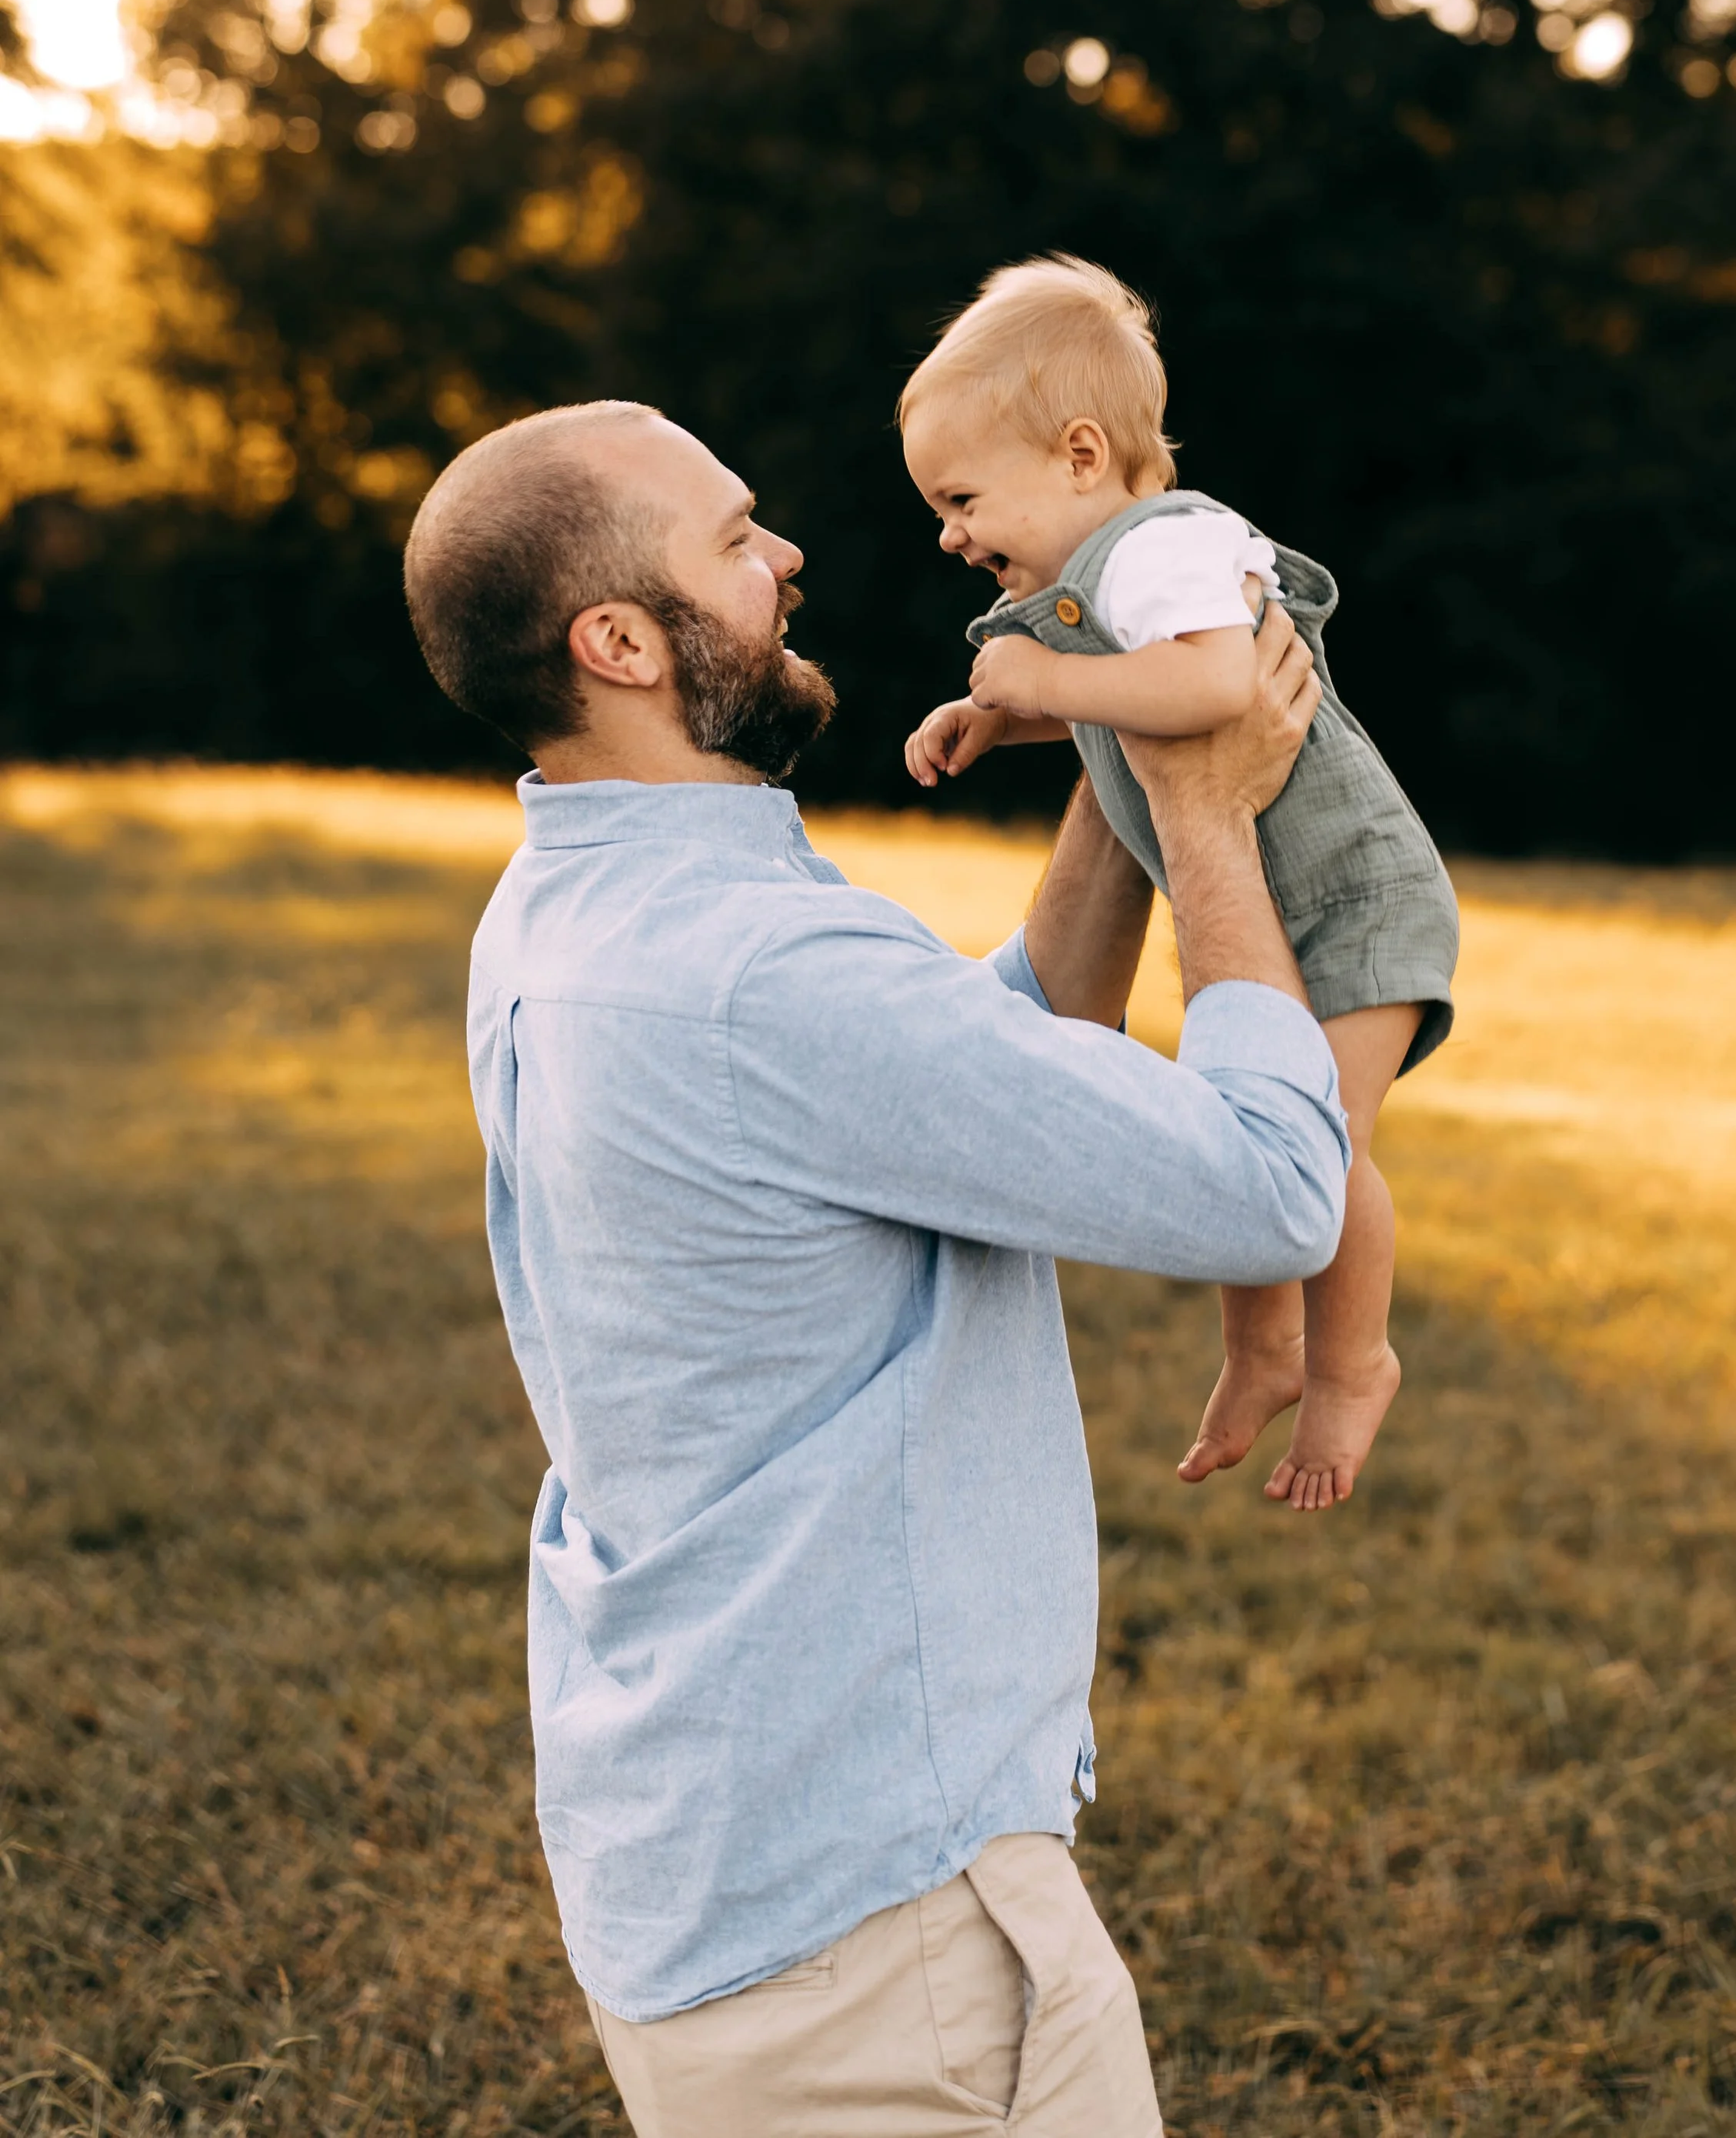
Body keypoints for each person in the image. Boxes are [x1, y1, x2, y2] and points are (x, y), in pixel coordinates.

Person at [402, 397, 1350, 2138]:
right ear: (618, 642)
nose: (786, 559)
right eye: (733, 537)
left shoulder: (572, 913)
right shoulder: (755, 972)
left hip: (728, 1846)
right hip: (877, 1936)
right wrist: (1213, 823)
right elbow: (1270, 1190)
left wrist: (1122, 760)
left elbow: (971, 1075)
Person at [901, 256, 1459, 1513]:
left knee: (1322, 1139)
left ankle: (1354, 1358)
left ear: (1081, 453)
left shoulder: (1165, 551)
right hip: (1290, 898)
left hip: (1353, 897)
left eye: (962, 496)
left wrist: (1040, 683)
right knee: (1243, 1119)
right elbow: (1138, 703)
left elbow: (1208, 690)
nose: (949, 533)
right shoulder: (1112, 578)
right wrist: (1003, 720)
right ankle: (1265, 1346)